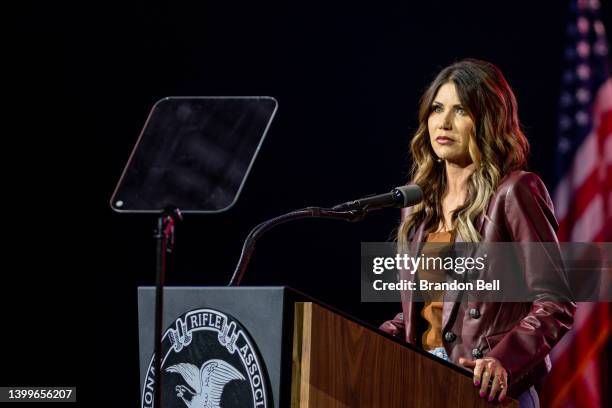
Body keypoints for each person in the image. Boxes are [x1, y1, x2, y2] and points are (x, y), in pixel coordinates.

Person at [379, 59, 575, 407]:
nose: (445, 122)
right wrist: (376, 338)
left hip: (486, 392)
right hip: (421, 387)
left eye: (461, 110)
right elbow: (431, 310)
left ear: (486, 121)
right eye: (437, 109)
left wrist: (503, 360)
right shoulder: (417, 204)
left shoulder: (515, 192)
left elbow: (555, 302)